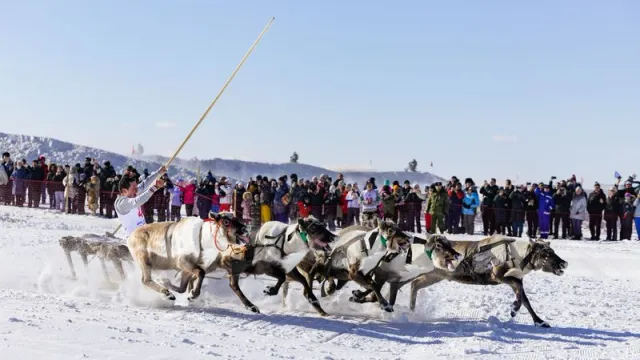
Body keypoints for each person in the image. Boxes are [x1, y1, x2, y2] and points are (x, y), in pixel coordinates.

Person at [115, 166, 167, 238]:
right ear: (124, 191)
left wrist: (158, 173)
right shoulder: (121, 203)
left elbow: (144, 184)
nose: (137, 190)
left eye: (136, 187)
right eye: (134, 188)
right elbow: (137, 201)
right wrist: (155, 187)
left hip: (143, 235)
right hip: (134, 240)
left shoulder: (132, 192)